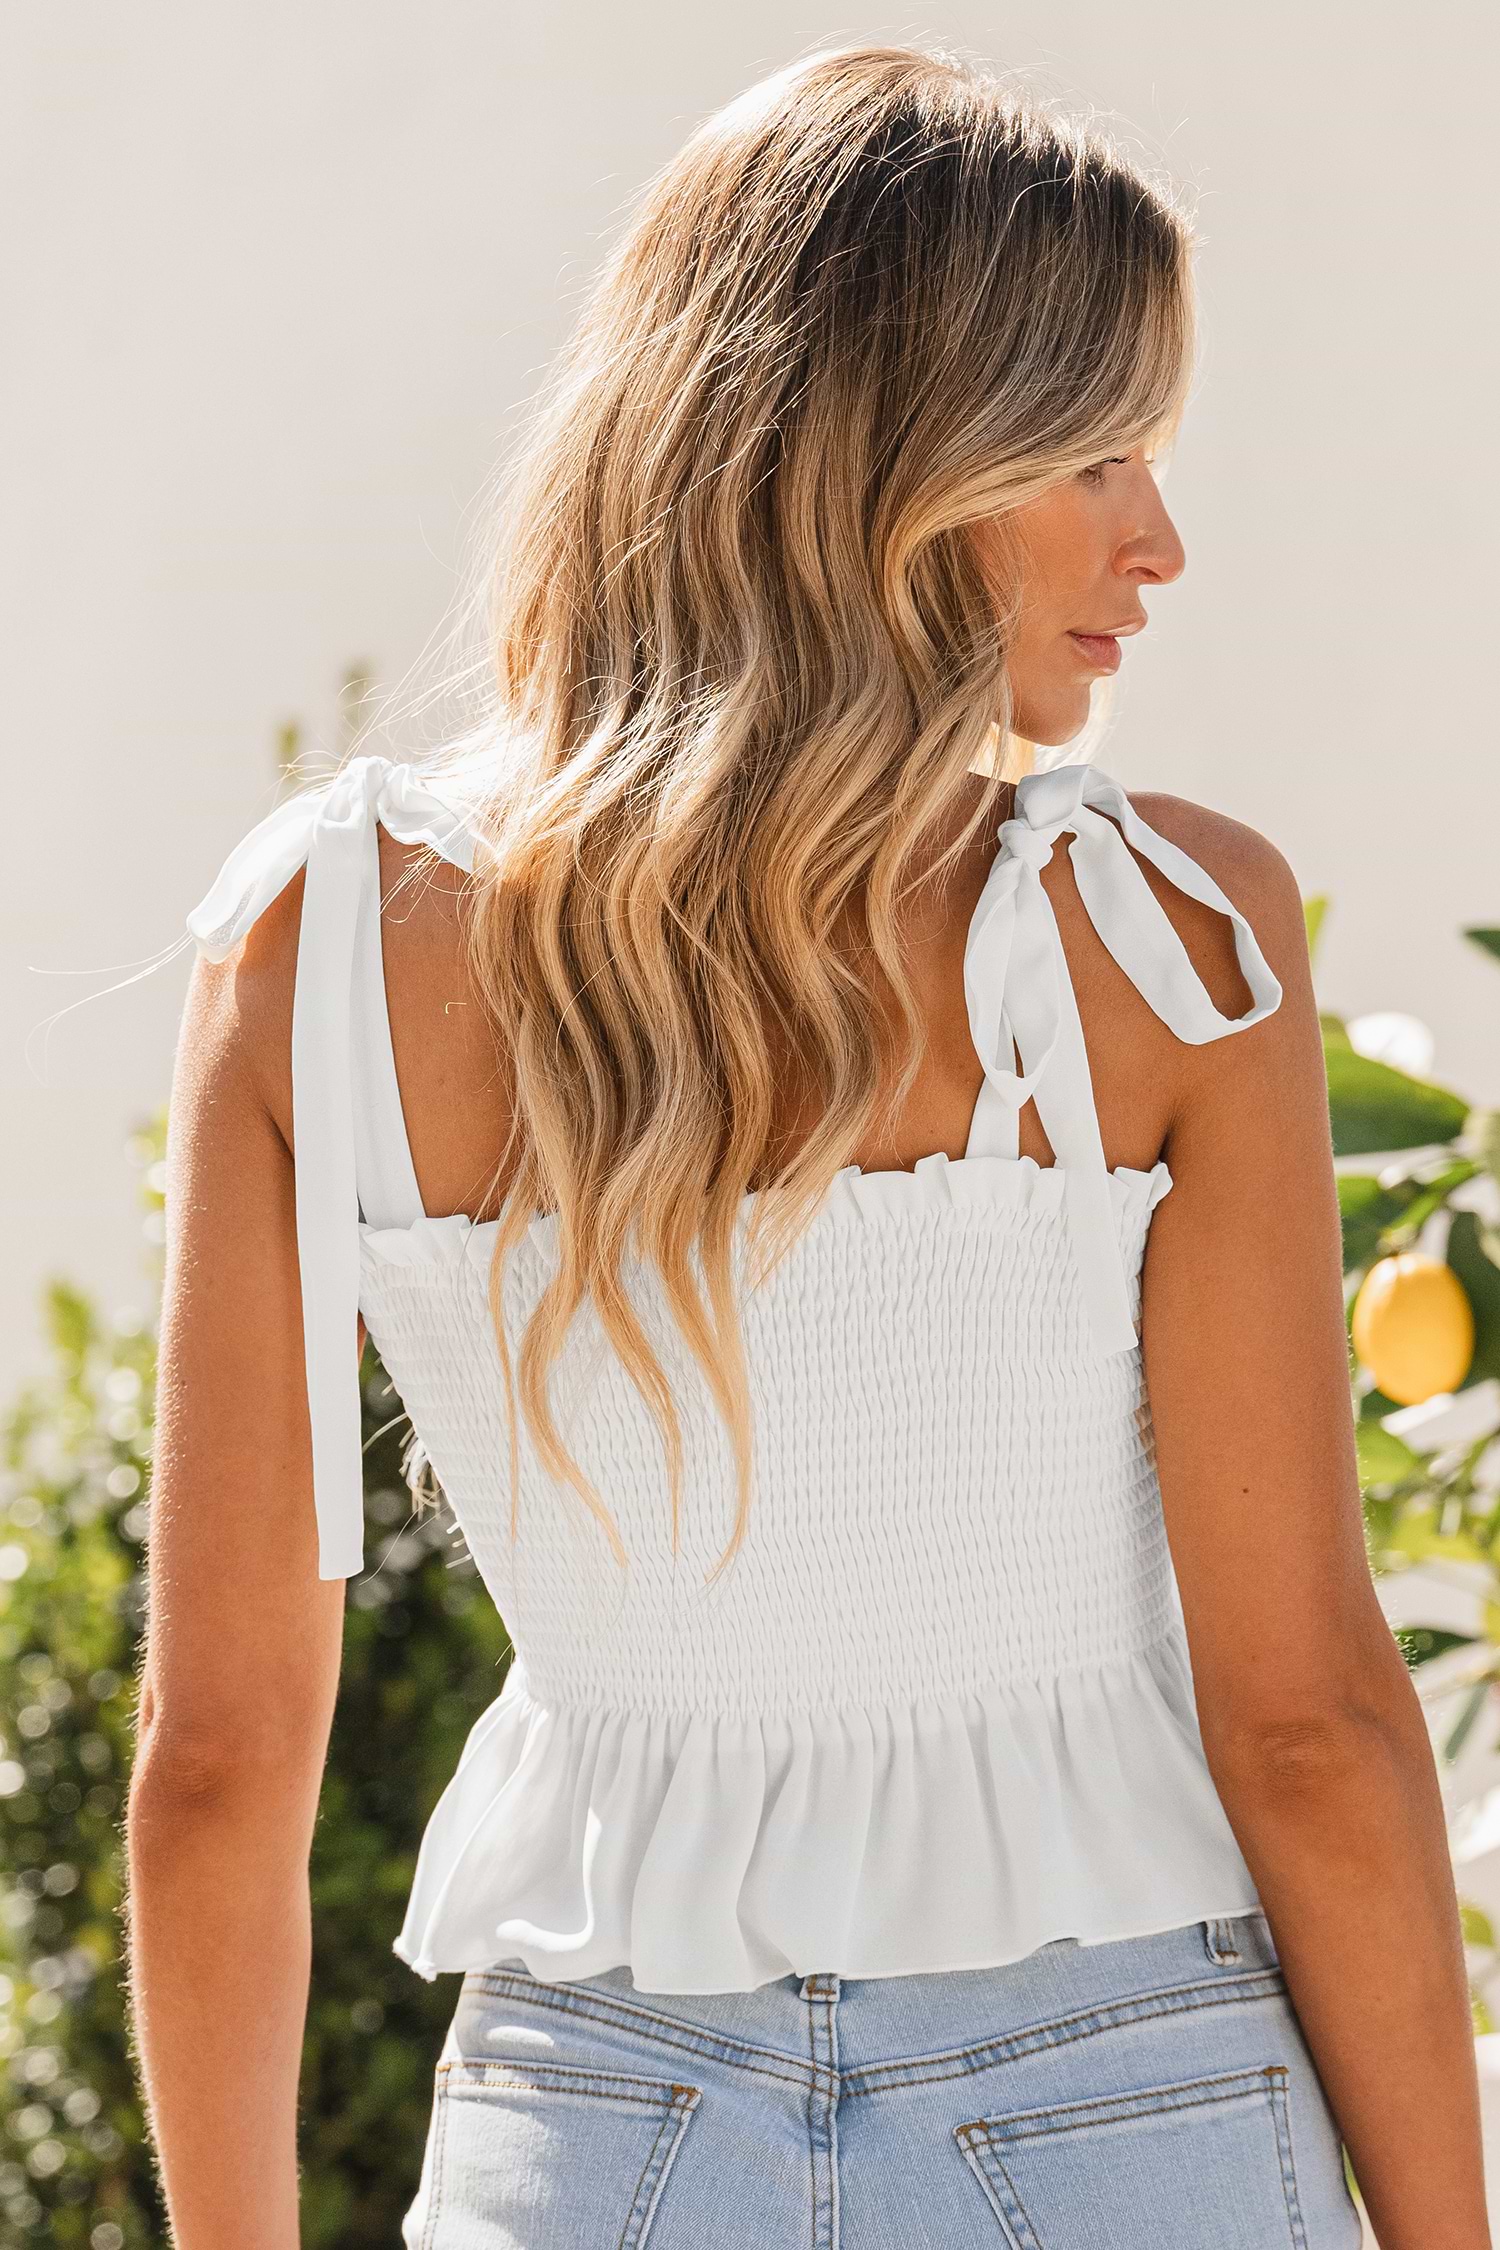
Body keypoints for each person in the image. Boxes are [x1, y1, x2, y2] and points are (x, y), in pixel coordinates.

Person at [126, 40, 1486, 2250]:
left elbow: (216, 1762)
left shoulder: (321, 945)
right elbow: (1310, 1721)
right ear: (899, 456)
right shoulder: (1169, 942)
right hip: (1127, 2111)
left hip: (595, 2134)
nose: (1160, 542)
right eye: (1099, 450)